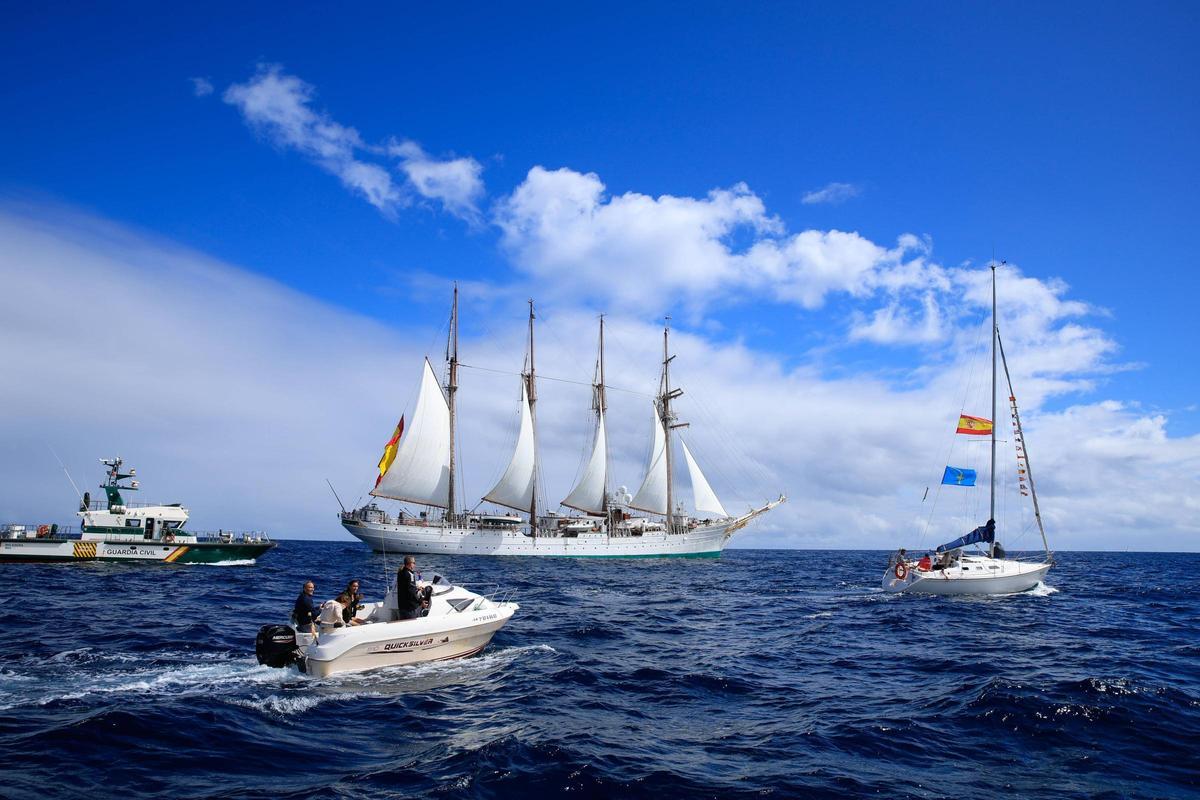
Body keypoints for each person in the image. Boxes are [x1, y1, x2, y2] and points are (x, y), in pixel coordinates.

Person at [395, 556, 428, 620]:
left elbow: (406, 587)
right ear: (410, 563)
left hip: (402, 606)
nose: (415, 564)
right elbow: (411, 592)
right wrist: (420, 602)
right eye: (414, 563)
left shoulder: (400, 572)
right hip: (410, 608)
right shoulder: (410, 574)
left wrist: (416, 587)